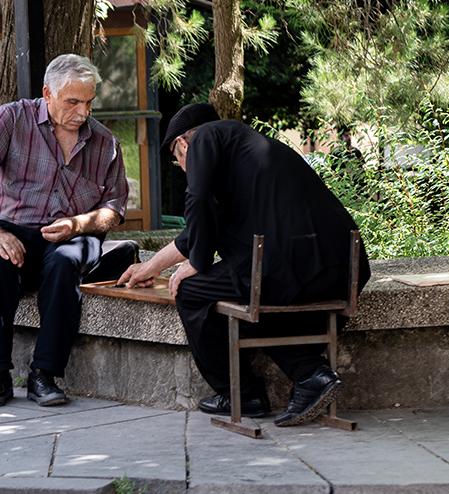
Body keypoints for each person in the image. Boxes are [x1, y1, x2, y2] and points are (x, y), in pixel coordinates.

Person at [118, 104, 371, 427]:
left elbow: (197, 203)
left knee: (192, 291)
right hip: (343, 267)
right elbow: (195, 232)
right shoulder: (245, 160)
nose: (183, 168)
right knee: (246, 299)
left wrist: (198, 262)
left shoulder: (207, 137)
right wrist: (151, 265)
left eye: (177, 158)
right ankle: (309, 374)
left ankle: (248, 393)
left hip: (290, 268)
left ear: (183, 144)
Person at [0, 54, 133, 408]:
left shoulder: (105, 142)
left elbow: (114, 210)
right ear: (47, 94)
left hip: (76, 232)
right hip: (15, 227)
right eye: (73, 101)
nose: (82, 112)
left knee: (65, 262)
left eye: (88, 101)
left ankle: (44, 375)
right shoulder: (12, 118)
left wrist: (78, 225)